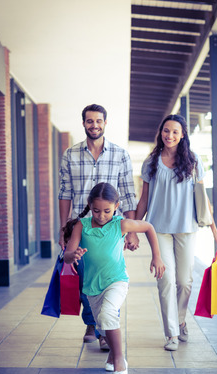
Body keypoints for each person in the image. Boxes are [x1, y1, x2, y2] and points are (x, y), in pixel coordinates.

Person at [136, 114, 217, 351]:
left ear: (183, 134)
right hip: (158, 230)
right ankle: (172, 333)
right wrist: (132, 229)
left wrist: (215, 231)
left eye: (175, 131)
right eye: (166, 131)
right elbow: (144, 200)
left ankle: (181, 319)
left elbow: (203, 199)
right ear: (161, 132)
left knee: (184, 282)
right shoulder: (151, 162)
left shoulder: (194, 162)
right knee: (166, 280)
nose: (170, 135)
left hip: (186, 228)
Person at [63, 182, 165, 374]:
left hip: (116, 280)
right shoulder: (80, 226)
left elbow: (149, 227)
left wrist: (157, 256)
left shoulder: (121, 224)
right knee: (102, 323)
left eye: (107, 211)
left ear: (116, 206)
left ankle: (119, 359)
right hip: (92, 286)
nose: (101, 216)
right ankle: (112, 355)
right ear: (89, 205)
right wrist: (72, 255)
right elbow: (67, 254)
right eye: (96, 211)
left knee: (108, 313)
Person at [58, 104, 139, 350]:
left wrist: (132, 231)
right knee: (86, 277)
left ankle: (103, 328)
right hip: (81, 227)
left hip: (111, 228)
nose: (94, 125)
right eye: (90, 121)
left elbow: (128, 193)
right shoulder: (69, 155)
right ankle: (92, 322)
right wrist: (63, 230)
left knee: (109, 276)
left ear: (105, 123)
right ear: (83, 123)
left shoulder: (120, 154)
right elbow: (64, 194)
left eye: (99, 121)